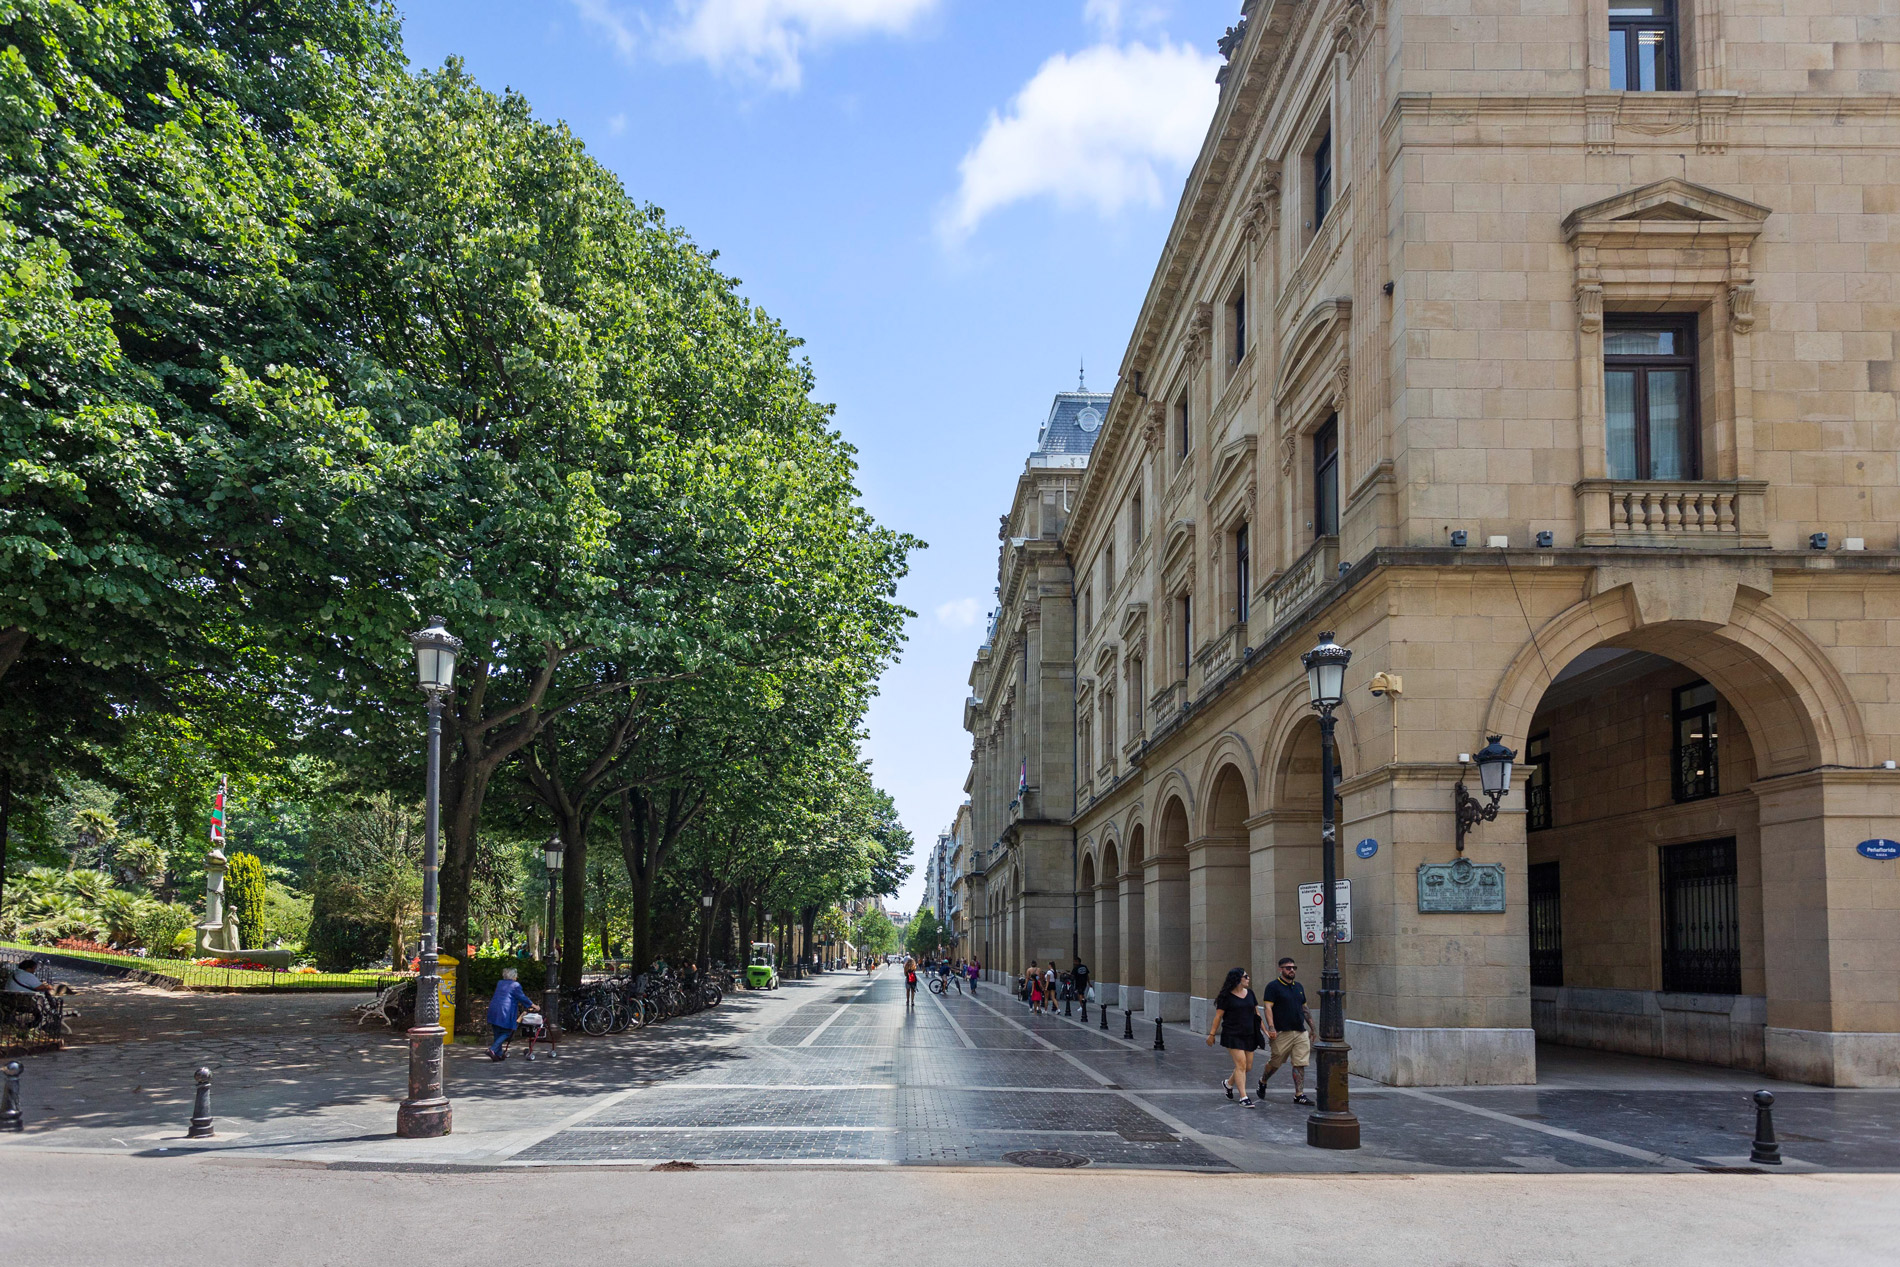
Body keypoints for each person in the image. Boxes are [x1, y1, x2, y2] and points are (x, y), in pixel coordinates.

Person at [1257, 956, 1314, 1105]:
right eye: (1288, 968)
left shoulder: (1299, 987)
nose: (1291, 970)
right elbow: (1268, 1007)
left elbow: (1304, 1008)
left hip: (1300, 1031)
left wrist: (1312, 1028)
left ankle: (1299, 1094)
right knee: (1275, 1063)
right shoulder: (1273, 986)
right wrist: (1271, 1027)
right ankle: (1263, 1080)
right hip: (1282, 1032)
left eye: (1293, 968)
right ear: (1280, 969)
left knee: (1300, 1063)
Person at [1205, 967, 1265, 1107]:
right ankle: (1243, 1097)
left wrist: (1266, 1031)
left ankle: (1228, 1083)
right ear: (1238, 979)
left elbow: (1257, 1015)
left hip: (1250, 1034)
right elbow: (1218, 1016)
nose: (1248, 978)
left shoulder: (1250, 993)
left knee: (1248, 1067)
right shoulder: (1226, 996)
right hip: (1232, 1034)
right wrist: (1212, 1034)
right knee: (1241, 1065)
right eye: (1246, 976)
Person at [486, 966, 535, 1061]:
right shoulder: (515, 985)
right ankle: (492, 1050)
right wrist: (533, 1005)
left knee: (497, 1031)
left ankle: (498, 1054)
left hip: (494, 1009)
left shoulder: (500, 983)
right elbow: (522, 997)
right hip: (505, 1010)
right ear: (514, 976)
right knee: (507, 1032)